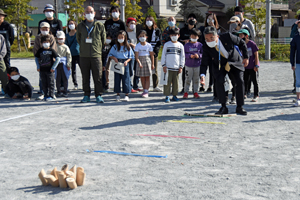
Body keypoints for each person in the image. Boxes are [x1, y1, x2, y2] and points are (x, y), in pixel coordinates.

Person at [200, 26, 249, 115]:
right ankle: (223, 106)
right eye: (207, 39)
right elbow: (204, 62)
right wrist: (202, 75)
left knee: (239, 81)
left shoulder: (227, 36)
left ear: (217, 36)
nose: (209, 41)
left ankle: (240, 106)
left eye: (212, 38)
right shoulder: (205, 47)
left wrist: (246, 57)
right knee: (219, 82)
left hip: (234, 61)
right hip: (220, 65)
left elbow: (241, 42)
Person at [77, 6, 106, 103]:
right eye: (87, 12)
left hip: (96, 55)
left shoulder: (99, 25)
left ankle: (98, 95)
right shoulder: (80, 25)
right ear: (84, 14)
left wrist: (98, 48)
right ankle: (86, 95)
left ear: (94, 13)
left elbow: (103, 39)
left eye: (91, 11)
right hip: (84, 55)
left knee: (98, 77)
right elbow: (79, 38)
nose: (89, 13)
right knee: (85, 77)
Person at [33, 22, 57, 100]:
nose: (44, 30)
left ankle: (52, 94)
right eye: (43, 29)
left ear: (49, 29)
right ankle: (43, 92)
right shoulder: (38, 38)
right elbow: (36, 49)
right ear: (40, 29)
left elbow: (53, 49)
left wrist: (53, 62)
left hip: (50, 62)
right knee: (42, 79)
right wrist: (39, 60)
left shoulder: (51, 37)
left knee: (50, 80)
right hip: (41, 61)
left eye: (46, 29)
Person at [108, 30, 134, 102]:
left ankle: (126, 94)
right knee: (117, 79)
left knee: (126, 79)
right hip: (117, 63)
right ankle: (117, 94)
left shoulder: (128, 46)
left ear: (125, 38)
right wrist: (114, 58)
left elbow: (131, 56)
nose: (120, 38)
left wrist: (127, 61)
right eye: (119, 37)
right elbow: (110, 55)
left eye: (122, 37)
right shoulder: (115, 46)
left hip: (125, 63)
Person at [161, 27, 185, 103]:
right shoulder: (166, 45)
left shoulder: (180, 45)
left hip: (176, 67)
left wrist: (181, 66)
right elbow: (163, 55)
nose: (174, 36)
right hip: (168, 67)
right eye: (172, 35)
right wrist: (163, 65)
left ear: (179, 35)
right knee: (167, 82)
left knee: (176, 82)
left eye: (176, 34)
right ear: (170, 36)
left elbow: (182, 56)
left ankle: (175, 95)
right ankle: (167, 96)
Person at [35, 35, 60, 101]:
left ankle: (51, 95)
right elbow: (36, 58)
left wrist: (53, 67)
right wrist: (38, 66)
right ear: (42, 43)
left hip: (50, 70)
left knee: (50, 83)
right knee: (44, 83)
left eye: (47, 42)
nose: (46, 43)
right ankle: (45, 95)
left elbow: (58, 59)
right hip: (42, 69)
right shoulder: (40, 50)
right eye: (44, 42)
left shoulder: (51, 50)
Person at [199, 13, 220, 94]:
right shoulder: (202, 28)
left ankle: (212, 86)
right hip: (206, 50)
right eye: (208, 19)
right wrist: (202, 75)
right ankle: (202, 84)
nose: (210, 20)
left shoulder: (217, 30)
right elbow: (203, 64)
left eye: (212, 19)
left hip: (216, 52)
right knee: (204, 66)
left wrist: (213, 27)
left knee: (213, 70)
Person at [238, 29, 260, 102]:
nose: (240, 37)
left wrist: (256, 65)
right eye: (239, 35)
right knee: (244, 81)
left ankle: (256, 95)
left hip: (252, 66)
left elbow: (256, 55)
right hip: (244, 67)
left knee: (254, 81)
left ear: (246, 36)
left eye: (241, 35)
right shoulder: (240, 44)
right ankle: (244, 93)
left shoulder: (252, 44)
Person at [179, 13, 197, 94]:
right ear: (187, 20)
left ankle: (194, 89)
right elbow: (178, 40)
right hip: (185, 53)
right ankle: (184, 88)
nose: (191, 20)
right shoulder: (182, 30)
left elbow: (200, 41)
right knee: (185, 72)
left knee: (195, 72)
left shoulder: (197, 31)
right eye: (190, 18)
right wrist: (184, 42)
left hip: (195, 53)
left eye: (193, 19)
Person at [183, 28, 202, 99]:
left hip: (197, 65)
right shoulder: (187, 45)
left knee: (196, 79)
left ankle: (195, 92)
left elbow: (203, 54)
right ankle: (186, 92)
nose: (193, 38)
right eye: (192, 36)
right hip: (188, 65)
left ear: (198, 37)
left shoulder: (200, 45)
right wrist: (189, 56)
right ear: (190, 36)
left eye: (195, 37)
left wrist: (199, 56)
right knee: (187, 79)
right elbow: (183, 54)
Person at [144, 16, 162, 92]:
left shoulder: (157, 31)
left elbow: (159, 42)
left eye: (150, 20)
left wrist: (155, 51)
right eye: (147, 20)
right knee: (145, 70)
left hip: (154, 53)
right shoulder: (144, 31)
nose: (148, 21)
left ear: (153, 21)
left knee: (154, 69)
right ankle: (145, 86)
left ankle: (155, 85)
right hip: (145, 53)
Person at [135, 30, 154, 98]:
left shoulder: (149, 45)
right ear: (138, 37)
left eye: (143, 36)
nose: (142, 37)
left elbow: (152, 55)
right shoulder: (137, 46)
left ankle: (146, 91)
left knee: (147, 77)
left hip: (147, 60)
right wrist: (139, 63)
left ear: (146, 37)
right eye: (140, 36)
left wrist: (152, 64)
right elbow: (136, 56)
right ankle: (144, 90)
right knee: (142, 77)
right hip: (140, 61)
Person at [56, 31, 72, 97]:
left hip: (64, 64)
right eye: (59, 39)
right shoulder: (55, 46)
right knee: (58, 78)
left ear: (64, 39)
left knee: (65, 78)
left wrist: (68, 64)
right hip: (57, 64)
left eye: (62, 38)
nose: (60, 40)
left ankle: (65, 90)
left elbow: (69, 56)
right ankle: (58, 91)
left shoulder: (66, 47)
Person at [126, 17, 139, 93]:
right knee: (130, 71)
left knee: (137, 70)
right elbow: (124, 41)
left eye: (134, 23)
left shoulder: (135, 33)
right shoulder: (125, 33)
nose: (133, 25)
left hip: (136, 53)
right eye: (131, 23)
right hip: (129, 53)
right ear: (127, 24)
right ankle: (129, 86)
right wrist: (131, 44)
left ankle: (136, 86)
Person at [65, 20, 80, 90]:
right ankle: (75, 84)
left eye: (72, 23)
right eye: (70, 24)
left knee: (83, 69)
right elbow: (66, 44)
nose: (71, 25)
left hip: (79, 54)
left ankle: (85, 83)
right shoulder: (67, 35)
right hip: (70, 55)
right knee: (73, 70)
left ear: (75, 24)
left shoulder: (78, 33)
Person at [290, 21, 300, 106]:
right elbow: (292, 51)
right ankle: (298, 99)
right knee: (298, 81)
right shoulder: (296, 37)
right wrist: (292, 63)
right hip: (298, 63)